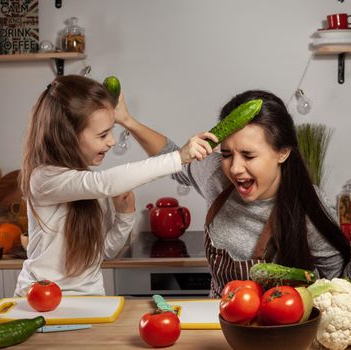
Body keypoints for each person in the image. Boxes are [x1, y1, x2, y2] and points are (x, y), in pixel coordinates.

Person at [115, 89, 351, 297]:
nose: (235, 168)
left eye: (249, 155)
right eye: (227, 153)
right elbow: (174, 158)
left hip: (283, 334)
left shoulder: (307, 204)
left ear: (282, 152)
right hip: (220, 329)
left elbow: (342, 289)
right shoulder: (216, 173)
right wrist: (127, 121)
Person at [14, 75, 215, 296]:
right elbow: (105, 183)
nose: (111, 141)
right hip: (39, 300)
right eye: (102, 135)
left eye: (111, 131)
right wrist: (179, 157)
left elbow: (104, 252)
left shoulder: (87, 184)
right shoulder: (43, 179)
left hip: (90, 303)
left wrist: (124, 216)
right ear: (67, 137)